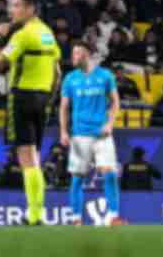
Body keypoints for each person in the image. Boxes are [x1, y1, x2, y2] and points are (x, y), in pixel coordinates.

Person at [0, 0, 62, 226]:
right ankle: (37, 212)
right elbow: (57, 72)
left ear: (31, 8)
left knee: (25, 157)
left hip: (21, 97)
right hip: (43, 99)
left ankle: (33, 214)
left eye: (17, 5)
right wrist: (50, 100)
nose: (12, 11)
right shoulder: (47, 33)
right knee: (35, 156)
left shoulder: (22, 35)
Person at [59, 41, 125, 226]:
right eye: (73, 53)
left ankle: (113, 216)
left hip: (102, 135)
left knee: (110, 174)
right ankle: (76, 219)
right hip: (80, 135)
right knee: (77, 178)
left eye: (77, 53)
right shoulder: (70, 78)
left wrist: (110, 124)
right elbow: (64, 107)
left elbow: (115, 102)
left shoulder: (105, 76)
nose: (73, 57)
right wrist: (63, 131)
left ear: (87, 55)